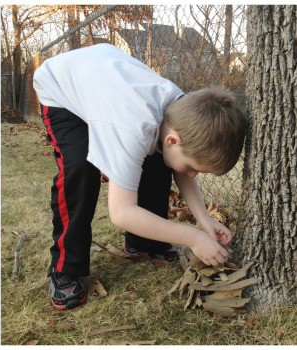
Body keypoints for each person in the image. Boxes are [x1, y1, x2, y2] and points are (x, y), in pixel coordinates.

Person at [32, 43, 247, 311]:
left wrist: (204, 222)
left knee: (161, 159)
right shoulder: (131, 129)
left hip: (104, 86)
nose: (191, 175)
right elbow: (121, 213)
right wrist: (192, 238)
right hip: (61, 89)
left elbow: (180, 164)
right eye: (194, 167)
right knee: (80, 170)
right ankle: (64, 267)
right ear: (172, 139)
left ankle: (144, 243)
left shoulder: (181, 112)